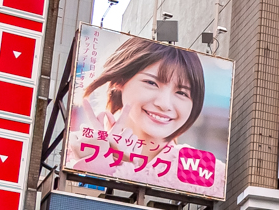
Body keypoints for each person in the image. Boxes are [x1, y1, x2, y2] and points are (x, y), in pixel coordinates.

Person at [78, 35, 208, 154]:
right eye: (151, 83)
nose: (164, 104)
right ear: (120, 80)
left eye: (181, 93)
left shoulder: (203, 168)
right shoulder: (80, 151)